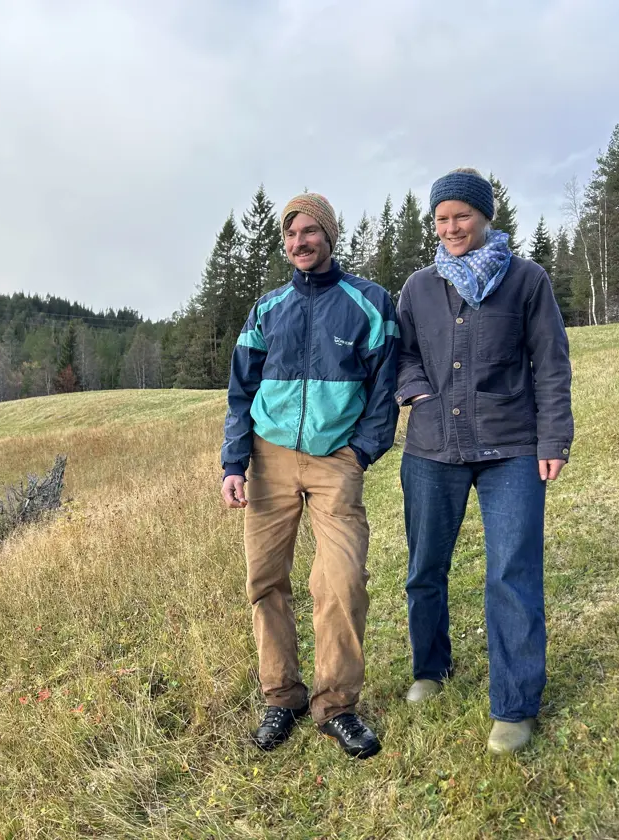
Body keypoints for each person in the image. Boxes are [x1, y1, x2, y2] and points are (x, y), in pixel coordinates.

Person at [395, 168, 573, 754]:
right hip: (431, 448)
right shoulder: (418, 287)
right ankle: (430, 668)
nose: (451, 227)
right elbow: (403, 354)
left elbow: (550, 363)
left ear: (485, 217)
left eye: (461, 216)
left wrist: (552, 441)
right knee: (425, 567)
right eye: (442, 218)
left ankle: (515, 707)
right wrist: (415, 390)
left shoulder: (526, 280)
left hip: (512, 448)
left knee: (512, 574)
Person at [221, 193, 399, 760]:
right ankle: (282, 695)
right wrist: (233, 462)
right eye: (291, 234)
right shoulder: (267, 308)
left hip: (335, 461)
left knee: (341, 581)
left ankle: (336, 706)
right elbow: (240, 391)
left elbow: (385, 389)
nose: (300, 242)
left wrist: (360, 453)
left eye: (310, 232)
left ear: (329, 235)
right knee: (265, 581)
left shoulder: (368, 303)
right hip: (269, 459)